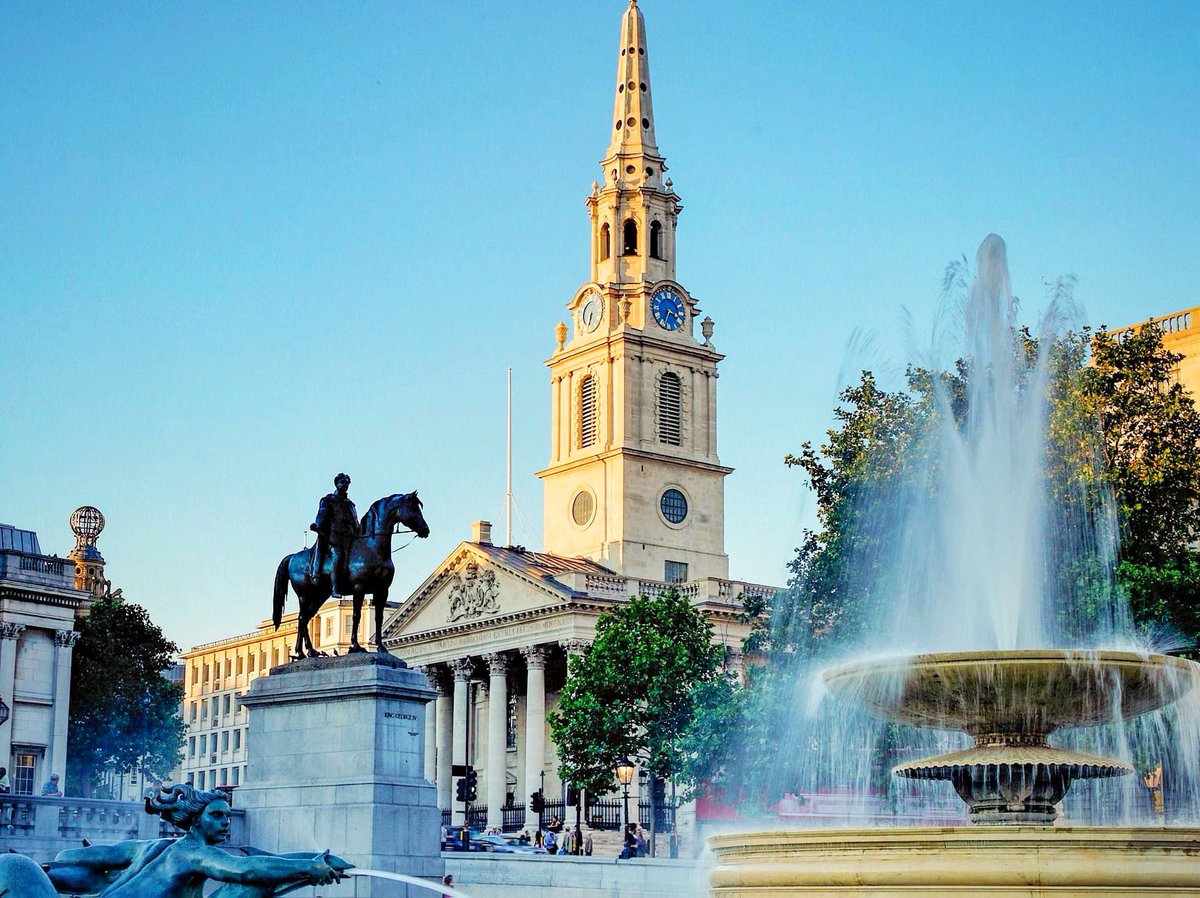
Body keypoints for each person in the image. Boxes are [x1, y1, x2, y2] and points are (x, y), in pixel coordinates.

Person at [1, 783, 343, 898]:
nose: (226, 823)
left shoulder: (153, 848)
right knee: (15, 865)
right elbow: (244, 871)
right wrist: (308, 868)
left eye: (227, 815)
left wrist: (313, 860)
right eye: (217, 815)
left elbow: (77, 855)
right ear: (196, 818)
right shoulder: (190, 855)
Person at [310, 473, 358, 597]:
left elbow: (356, 522)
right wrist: (318, 524)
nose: (345, 485)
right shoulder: (328, 500)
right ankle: (335, 588)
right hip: (333, 537)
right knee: (339, 554)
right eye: (342, 482)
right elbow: (321, 514)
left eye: (347, 483)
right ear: (336, 484)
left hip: (349, 537)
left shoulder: (350, 504)